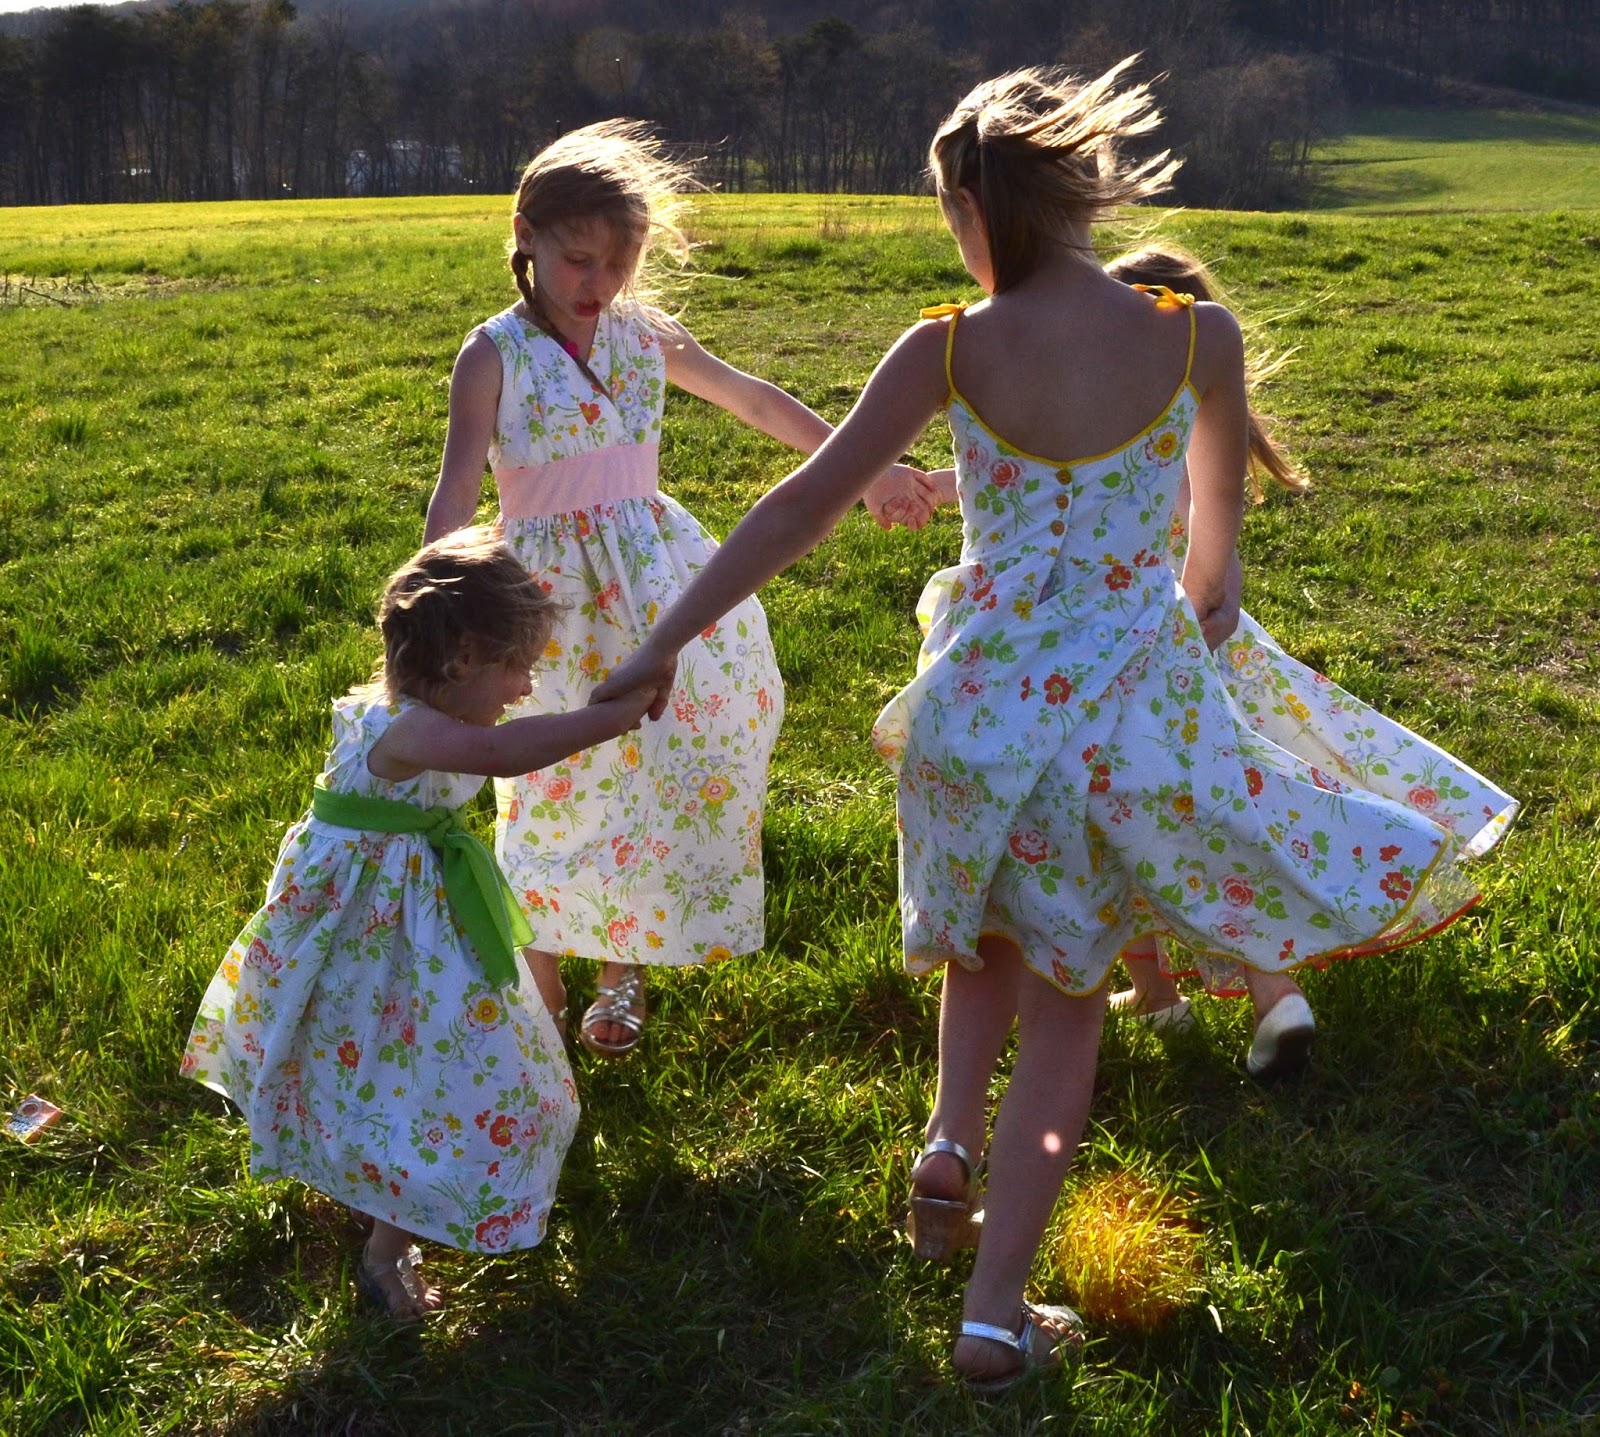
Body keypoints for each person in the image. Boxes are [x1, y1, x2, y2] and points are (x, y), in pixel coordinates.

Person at [591, 61, 1507, 1387]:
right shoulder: (1199, 337)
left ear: (968, 211)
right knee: (1067, 1016)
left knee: (986, 950)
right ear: (1089, 193)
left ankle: (943, 1153)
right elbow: (1213, 583)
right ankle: (993, 1314)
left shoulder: (947, 345)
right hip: (1110, 737)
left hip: (968, 719)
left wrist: (662, 638)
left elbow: (798, 506)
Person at [425, 119, 933, 1058]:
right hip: (545, 600)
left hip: (658, 580)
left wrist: (866, 467)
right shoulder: (492, 354)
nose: (599, 286)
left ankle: (625, 967)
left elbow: (754, 399)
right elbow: (458, 486)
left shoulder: (644, 334)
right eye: (579, 260)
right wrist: (440, 598)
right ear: (525, 236)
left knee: (658, 758)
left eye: (618, 265)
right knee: (549, 776)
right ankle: (534, 1003)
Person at [181, 529, 655, 1319]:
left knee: (399, 1065)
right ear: (462, 656)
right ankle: (385, 1249)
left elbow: (494, 736)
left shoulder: (395, 713)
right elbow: (504, 751)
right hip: (380, 929)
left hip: (397, 918)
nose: (525, 684)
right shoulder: (411, 730)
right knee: (437, 1077)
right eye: (516, 665)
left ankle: (380, 1193)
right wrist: (611, 718)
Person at [1099, 245, 1517, 1078]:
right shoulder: (1197, 427)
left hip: (1150, 666)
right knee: (1229, 825)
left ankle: (1178, 990)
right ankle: (1262, 991)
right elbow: (1222, 583)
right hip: (1212, 660)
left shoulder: (1137, 441)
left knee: (1129, 825)